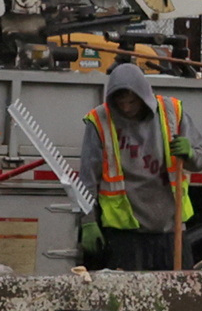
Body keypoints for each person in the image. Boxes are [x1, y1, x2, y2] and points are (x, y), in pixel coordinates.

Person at [77, 59, 194, 271]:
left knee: (175, 298)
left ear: (143, 97)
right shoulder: (100, 121)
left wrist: (192, 153)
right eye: (121, 102)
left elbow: (200, 161)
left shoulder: (172, 113)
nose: (126, 108)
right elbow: (88, 178)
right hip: (126, 234)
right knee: (125, 299)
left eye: (132, 102)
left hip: (170, 229)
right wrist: (87, 221)